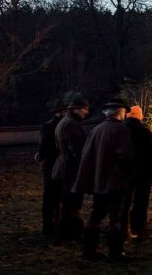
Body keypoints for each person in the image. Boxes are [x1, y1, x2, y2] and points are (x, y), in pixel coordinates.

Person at [73, 98, 134, 261]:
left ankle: (89, 250)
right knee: (115, 216)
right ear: (120, 112)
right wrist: (130, 173)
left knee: (96, 214)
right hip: (115, 181)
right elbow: (125, 155)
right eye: (125, 112)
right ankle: (116, 251)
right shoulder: (120, 129)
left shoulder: (97, 129)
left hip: (99, 180)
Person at [52, 96, 91, 245]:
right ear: (75, 109)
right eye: (84, 109)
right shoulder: (71, 125)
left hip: (64, 167)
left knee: (69, 202)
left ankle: (68, 232)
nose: (86, 112)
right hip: (70, 169)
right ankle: (69, 232)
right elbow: (77, 150)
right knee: (72, 202)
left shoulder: (64, 122)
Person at [123, 105, 152, 241]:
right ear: (139, 115)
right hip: (143, 172)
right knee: (141, 201)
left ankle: (123, 228)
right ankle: (139, 228)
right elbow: (151, 153)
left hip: (125, 172)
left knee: (125, 202)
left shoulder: (121, 129)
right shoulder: (144, 131)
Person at [37, 100, 65, 235]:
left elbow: (43, 146)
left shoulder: (48, 126)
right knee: (54, 195)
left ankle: (50, 223)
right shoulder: (56, 126)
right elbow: (44, 146)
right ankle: (51, 224)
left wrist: (40, 156)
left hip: (50, 163)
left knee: (51, 196)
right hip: (55, 163)